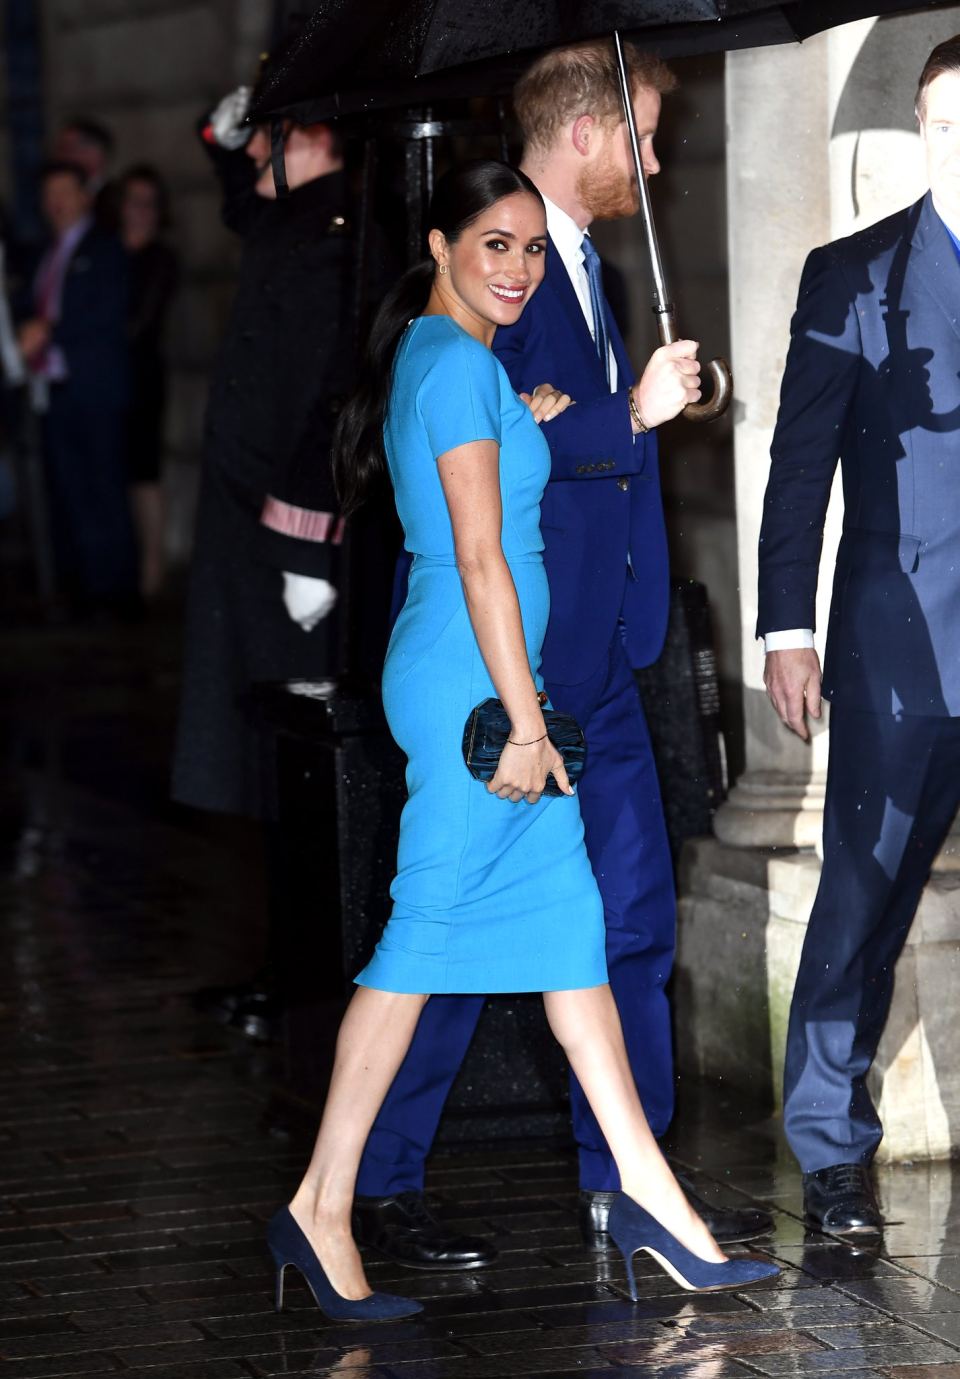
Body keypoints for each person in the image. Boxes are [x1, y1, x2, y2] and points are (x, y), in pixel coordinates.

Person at [267, 158, 778, 1321]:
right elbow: (485, 556)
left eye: (533, 249)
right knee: (421, 945)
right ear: (440, 245)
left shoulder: (468, 366)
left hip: (492, 677)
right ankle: (322, 1203)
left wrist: (537, 417)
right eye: (495, 244)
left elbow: (492, 488)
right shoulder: (451, 365)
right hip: (475, 691)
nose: (518, 268)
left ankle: (653, 1199)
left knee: (574, 943)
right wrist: (531, 720)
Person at [758, 35, 960, 1236]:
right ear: (926, 135)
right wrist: (787, 623)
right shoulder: (857, 275)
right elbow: (796, 470)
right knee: (865, 892)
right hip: (901, 646)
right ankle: (831, 1143)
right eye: (949, 119)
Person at [171, 76, 372, 1036]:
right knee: (261, 747)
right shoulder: (295, 214)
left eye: (273, 138)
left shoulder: (342, 232)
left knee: (297, 762)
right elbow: (231, 172)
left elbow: (335, 393)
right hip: (250, 529)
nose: (256, 156)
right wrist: (238, 112)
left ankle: (307, 972)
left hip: (294, 534)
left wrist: (304, 532)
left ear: (313, 136)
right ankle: (283, 962)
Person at [16, 160, 137, 612]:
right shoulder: (44, 252)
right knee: (70, 490)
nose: (56, 202)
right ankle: (87, 584)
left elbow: (107, 313)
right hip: (56, 386)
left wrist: (49, 330)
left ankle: (117, 591)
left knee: (105, 488)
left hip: (97, 387)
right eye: (49, 194)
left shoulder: (105, 248)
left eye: (65, 191)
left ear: (85, 195)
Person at [118, 165, 179, 599]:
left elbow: (142, 323)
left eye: (148, 203)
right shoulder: (106, 251)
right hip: (109, 375)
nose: (140, 211)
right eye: (132, 201)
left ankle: (151, 570)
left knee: (143, 473)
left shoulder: (159, 258)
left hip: (140, 376)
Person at [54, 119, 119, 228]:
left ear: (96, 152)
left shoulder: (116, 198)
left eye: (69, 149)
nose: (61, 157)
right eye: (62, 149)